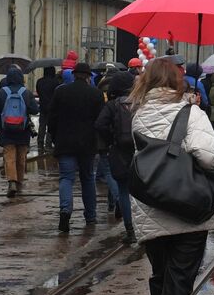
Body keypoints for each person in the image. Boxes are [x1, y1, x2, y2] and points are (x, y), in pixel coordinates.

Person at [129, 58, 214, 295]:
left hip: (152, 208)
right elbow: (206, 154)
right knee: (179, 285)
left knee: (161, 276)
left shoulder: (137, 113)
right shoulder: (192, 113)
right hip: (186, 211)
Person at [47, 61, 105, 232]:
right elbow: (100, 120)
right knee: (87, 178)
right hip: (87, 144)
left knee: (66, 178)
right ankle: (91, 216)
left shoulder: (61, 92)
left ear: (73, 75)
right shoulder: (96, 94)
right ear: (88, 76)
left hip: (65, 142)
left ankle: (65, 211)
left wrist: (55, 136)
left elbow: (52, 117)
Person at [95, 69, 138, 243]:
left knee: (123, 190)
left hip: (119, 151)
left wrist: (111, 137)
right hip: (139, 151)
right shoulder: (139, 102)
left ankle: (130, 231)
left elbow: (99, 125)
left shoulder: (112, 105)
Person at [0, 65, 39, 197]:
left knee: (9, 156)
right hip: (23, 130)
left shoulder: (2, 92)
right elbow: (35, 110)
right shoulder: (26, 92)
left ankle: (11, 181)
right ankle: (19, 182)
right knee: (21, 157)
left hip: (6, 130)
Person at [35, 65, 61, 151]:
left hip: (42, 106)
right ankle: (48, 144)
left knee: (42, 125)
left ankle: (40, 142)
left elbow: (38, 92)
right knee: (50, 125)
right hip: (52, 107)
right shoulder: (56, 82)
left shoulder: (39, 81)